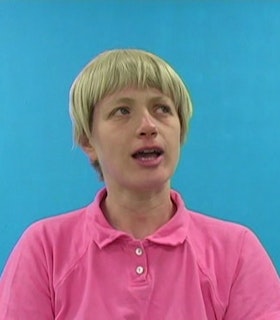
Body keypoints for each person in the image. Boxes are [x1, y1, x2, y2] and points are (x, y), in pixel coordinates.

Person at [0, 49, 279, 319]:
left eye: (162, 109)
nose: (148, 126)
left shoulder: (237, 250)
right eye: (122, 111)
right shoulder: (45, 250)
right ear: (88, 141)